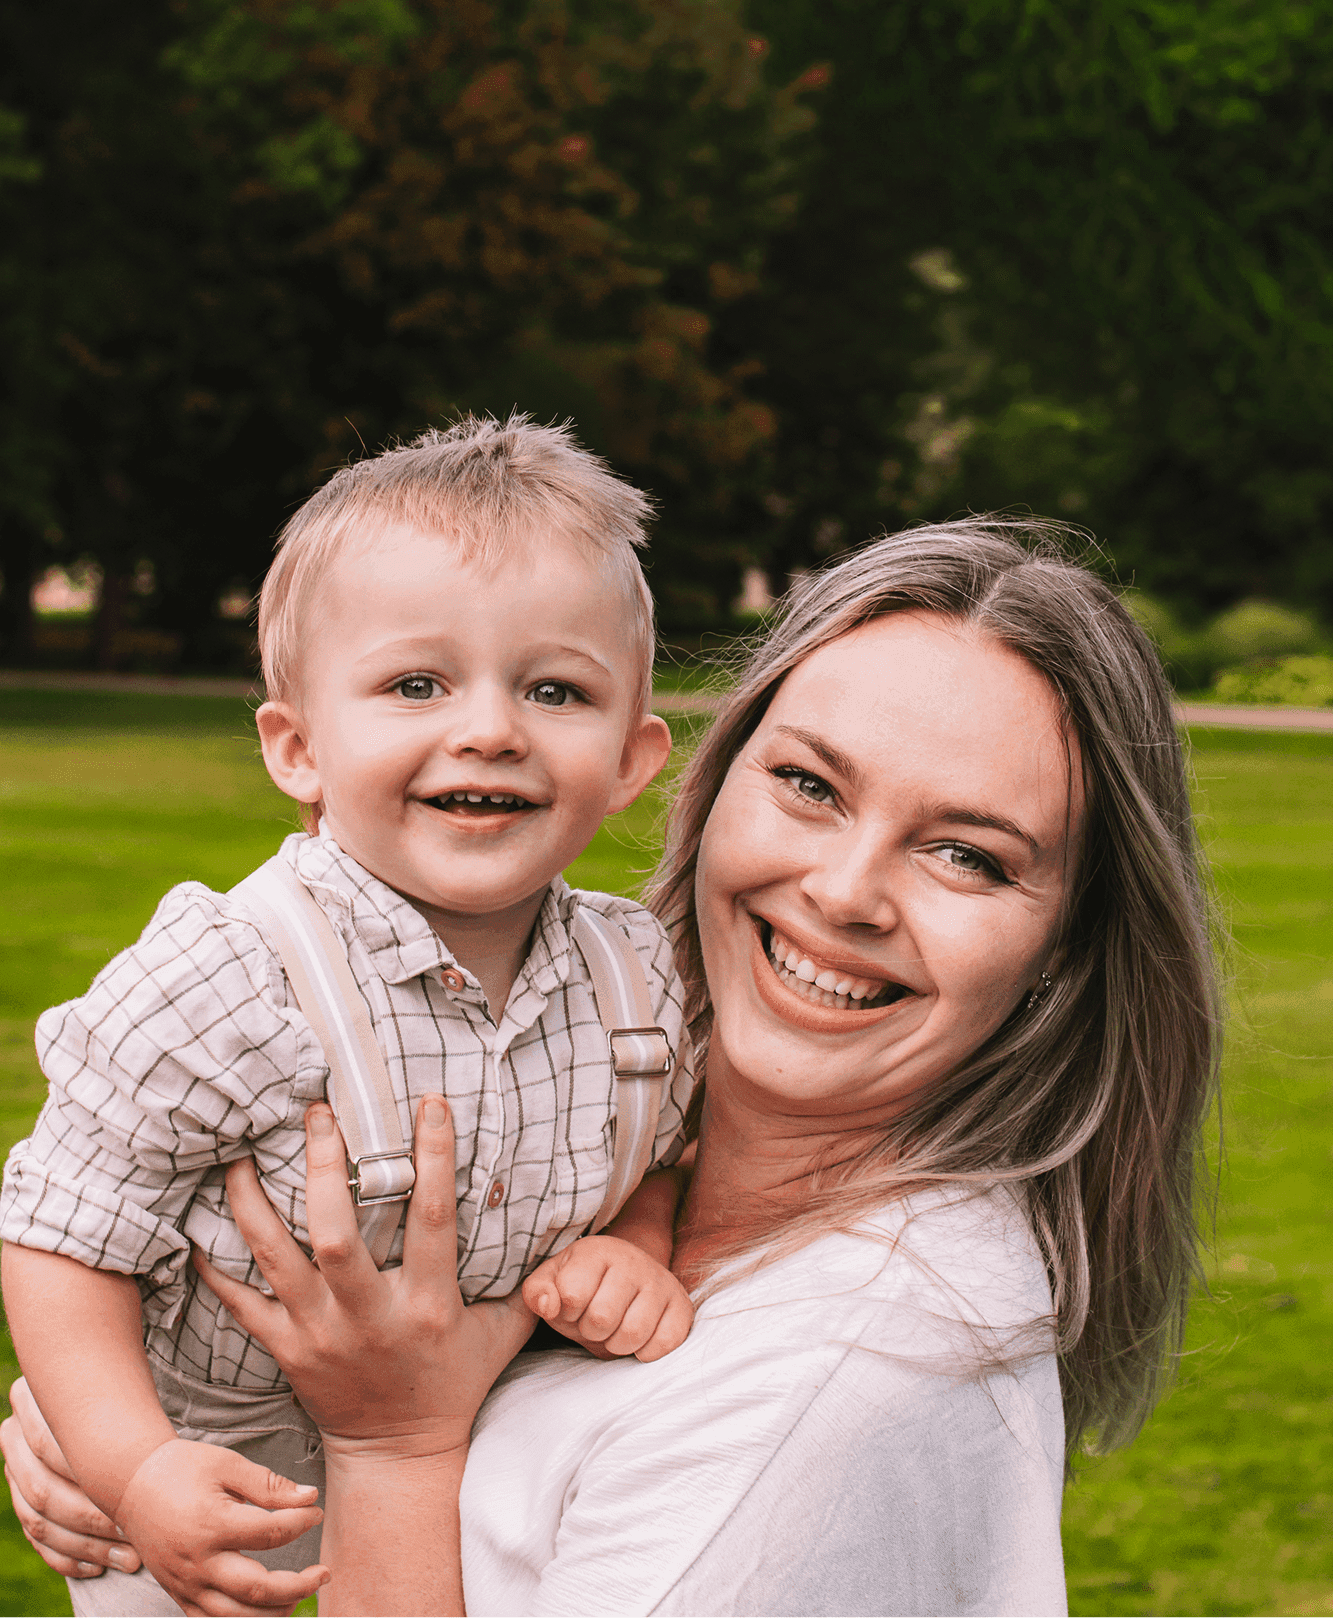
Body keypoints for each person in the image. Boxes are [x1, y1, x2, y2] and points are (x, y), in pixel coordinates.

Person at [3, 520, 1222, 1618]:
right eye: (808, 785)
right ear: (713, 780)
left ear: (1067, 951)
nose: (846, 892)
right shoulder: (595, 1067)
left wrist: (390, 1443)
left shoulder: (826, 1391)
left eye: (967, 855)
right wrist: (132, 1430)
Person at [0, 416, 699, 1618]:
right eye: (416, 684)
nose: (490, 729)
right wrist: (133, 1464)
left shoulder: (636, 976)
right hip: (214, 1462)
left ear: (633, 758)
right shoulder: (230, 975)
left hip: (478, 1442)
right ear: (298, 748)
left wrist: (634, 1242)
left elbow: (665, 1149)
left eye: (555, 689)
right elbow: (65, 1236)